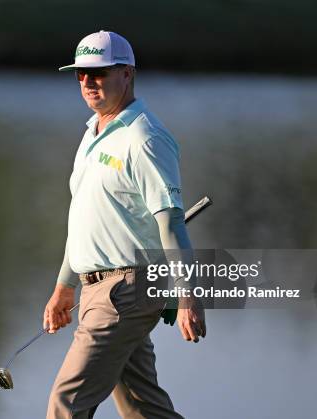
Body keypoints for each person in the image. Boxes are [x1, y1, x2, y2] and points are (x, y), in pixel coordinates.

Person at [43, 30, 206, 419]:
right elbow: (85, 220)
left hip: (125, 294)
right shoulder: (93, 133)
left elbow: (171, 227)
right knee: (141, 408)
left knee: (66, 404)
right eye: (81, 73)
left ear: (127, 74)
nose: (87, 82)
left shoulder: (145, 137)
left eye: (98, 73)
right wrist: (64, 286)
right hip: (96, 291)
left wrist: (189, 297)